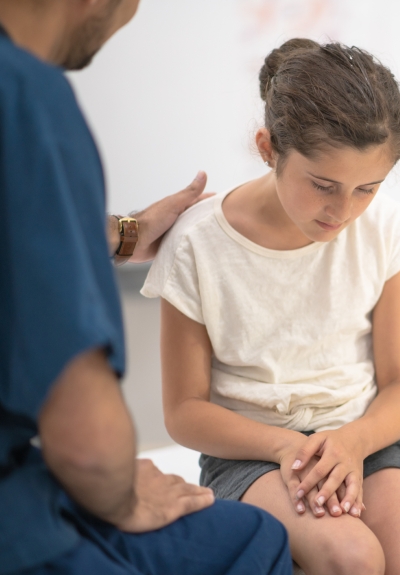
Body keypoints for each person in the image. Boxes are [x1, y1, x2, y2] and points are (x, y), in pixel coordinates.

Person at [0, 1, 292, 573]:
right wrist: (124, 494)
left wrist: (122, 232)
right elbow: (85, 442)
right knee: (255, 539)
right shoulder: (29, 98)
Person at [141, 38, 400, 575]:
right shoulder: (197, 243)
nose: (343, 210)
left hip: (366, 438)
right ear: (268, 148)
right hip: (252, 453)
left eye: (366, 189)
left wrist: (353, 441)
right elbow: (184, 411)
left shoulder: (391, 232)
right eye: (323, 185)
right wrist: (286, 447)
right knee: (351, 555)